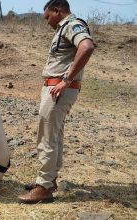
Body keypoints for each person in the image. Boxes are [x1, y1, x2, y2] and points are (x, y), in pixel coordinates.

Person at [18, 0, 94, 204]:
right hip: (57, 87)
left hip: (60, 89)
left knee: (47, 137)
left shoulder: (72, 25)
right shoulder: (65, 28)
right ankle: (49, 181)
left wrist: (66, 80)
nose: (47, 22)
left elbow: (86, 47)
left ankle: (44, 187)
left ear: (57, 11)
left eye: (47, 17)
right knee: (55, 135)